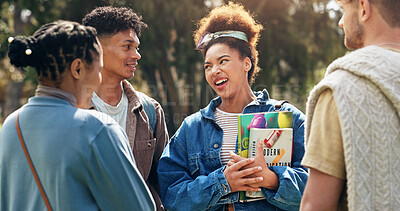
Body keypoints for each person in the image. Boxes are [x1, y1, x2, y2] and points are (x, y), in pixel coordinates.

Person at [157, 2, 308, 210]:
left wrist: (271, 180)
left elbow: (317, 187)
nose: (214, 71)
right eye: (208, 66)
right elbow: (171, 195)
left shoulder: (288, 118)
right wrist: (222, 182)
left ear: (247, 64)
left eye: (223, 61)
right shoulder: (191, 128)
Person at [0, 20, 155, 210]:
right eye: (98, 70)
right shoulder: (97, 129)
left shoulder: (10, 126)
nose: (98, 80)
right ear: (77, 69)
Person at [300, 0, 400, 210]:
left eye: (344, 10)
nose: (341, 22)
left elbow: (315, 205)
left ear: (364, 8)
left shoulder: (343, 87)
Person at [82, 6, 169, 210]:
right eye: (127, 46)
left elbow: (164, 181)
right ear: (97, 49)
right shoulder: (71, 110)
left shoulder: (151, 110)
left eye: (137, 47)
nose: (136, 55)